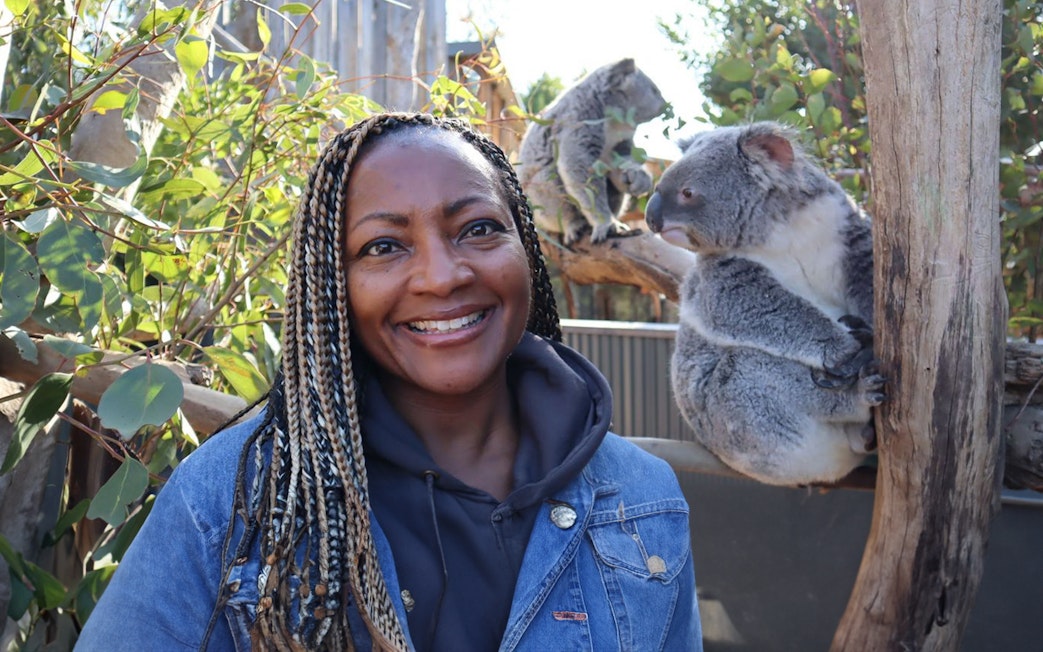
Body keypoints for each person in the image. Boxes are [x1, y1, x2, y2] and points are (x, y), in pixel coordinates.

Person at [75, 112, 702, 651]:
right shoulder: (228, 499)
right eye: (383, 246)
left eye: (478, 228)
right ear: (333, 287)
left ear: (525, 247)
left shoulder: (642, 499)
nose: (441, 275)